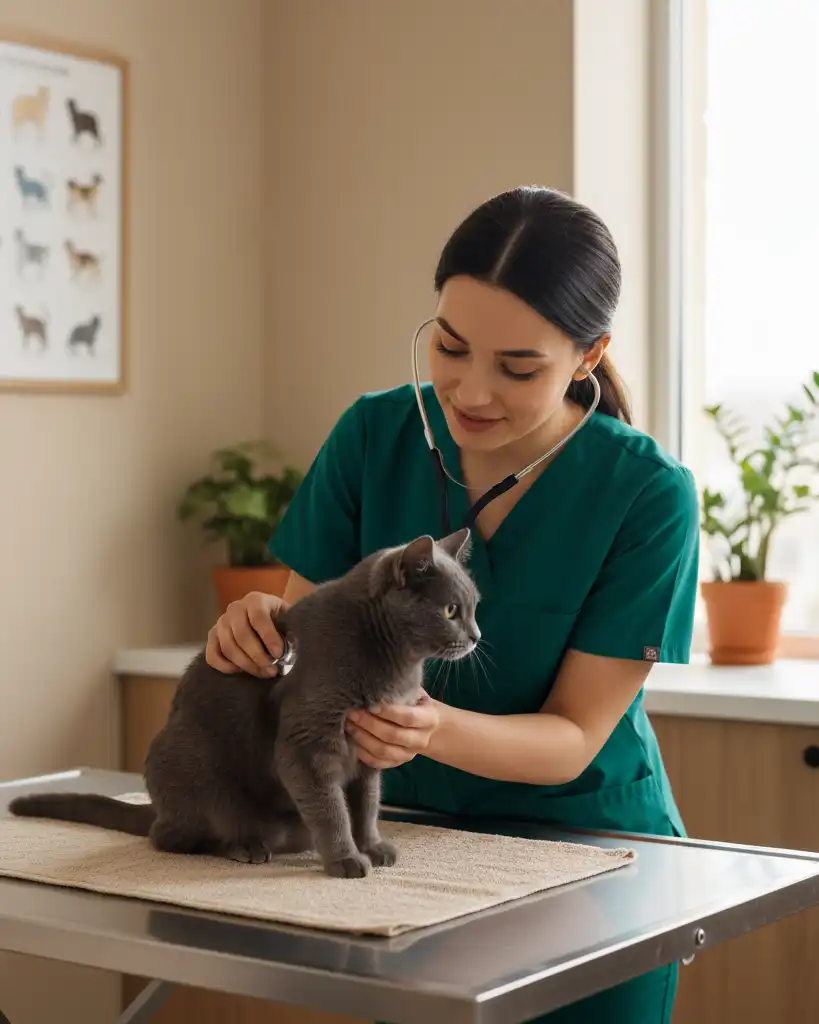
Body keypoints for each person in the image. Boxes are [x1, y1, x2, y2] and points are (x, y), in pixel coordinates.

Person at [205, 185, 700, 1023]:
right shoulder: (372, 436)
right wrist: (253, 636)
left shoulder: (646, 494)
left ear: (588, 356)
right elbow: (305, 652)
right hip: (401, 853)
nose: (468, 391)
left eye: (517, 368)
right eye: (450, 345)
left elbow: (575, 736)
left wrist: (432, 729)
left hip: (586, 866)